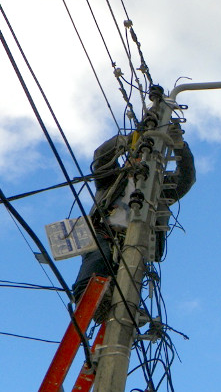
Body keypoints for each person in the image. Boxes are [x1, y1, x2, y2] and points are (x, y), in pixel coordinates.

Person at [72, 129, 195, 320]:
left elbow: (186, 179)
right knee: (99, 259)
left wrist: (180, 147)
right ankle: (89, 301)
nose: (140, 161)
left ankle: (123, 308)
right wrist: (130, 138)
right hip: (105, 232)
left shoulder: (159, 188)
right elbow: (101, 158)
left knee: (129, 279)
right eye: (137, 155)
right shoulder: (112, 180)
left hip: (136, 241)